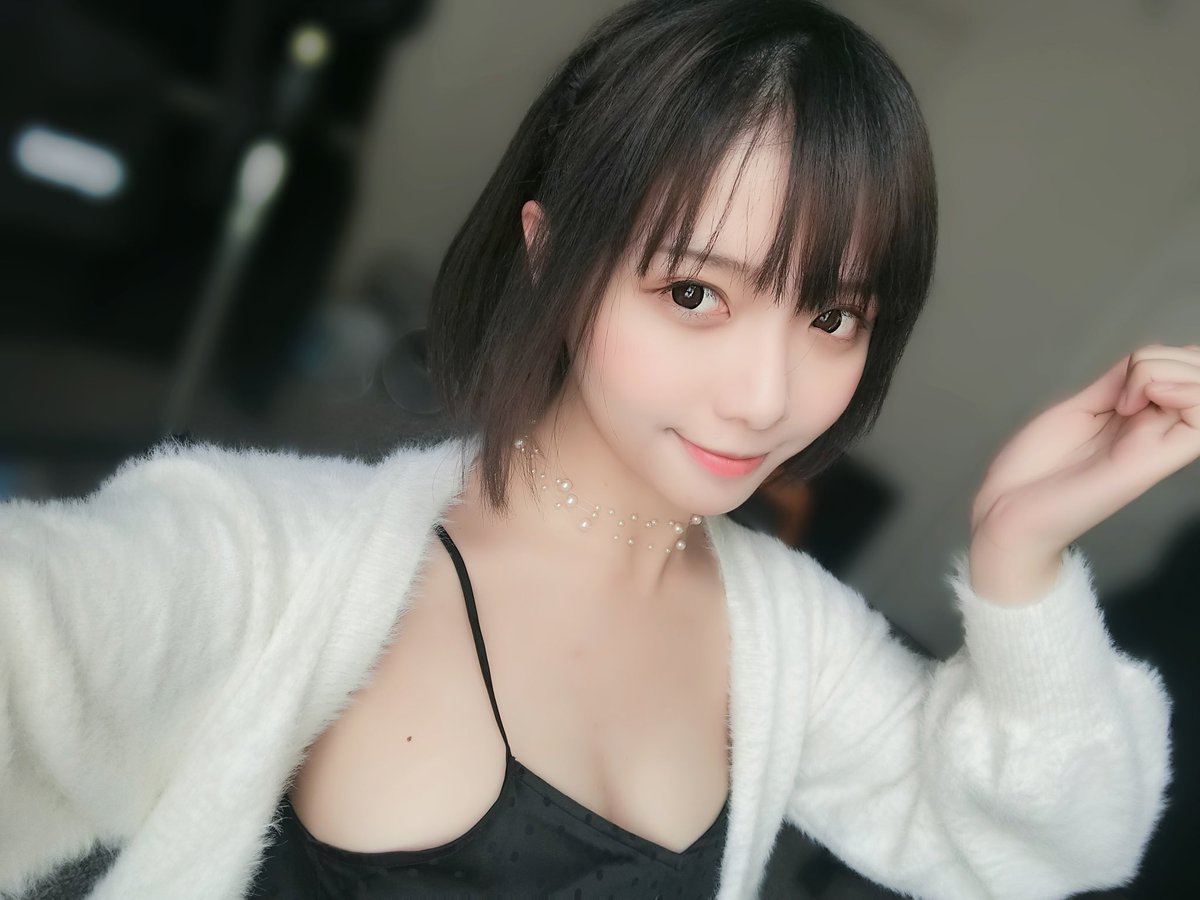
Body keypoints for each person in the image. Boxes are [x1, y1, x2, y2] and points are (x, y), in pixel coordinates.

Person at [0, 1, 1189, 898]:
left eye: (831, 317)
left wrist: (1020, 564)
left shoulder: (793, 645)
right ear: (550, 253)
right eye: (694, 295)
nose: (765, 398)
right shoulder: (278, 559)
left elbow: (1055, 847)